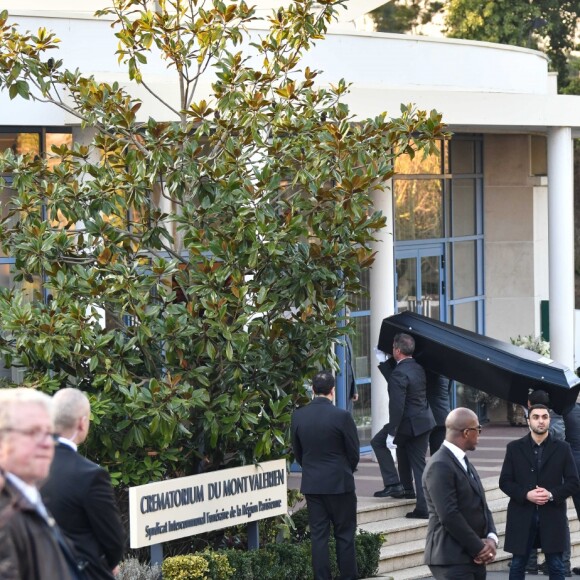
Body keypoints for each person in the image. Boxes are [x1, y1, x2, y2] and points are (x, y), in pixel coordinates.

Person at [41, 388, 124, 580]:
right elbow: (113, 540)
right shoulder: (90, 475)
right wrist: (105, 564)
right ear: (82, 423)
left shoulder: (26, 465)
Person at [0, 387, 83, 579]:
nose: (46, 443)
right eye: (32, 432)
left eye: (48, 433)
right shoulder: (5, 515)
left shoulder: (28, 498)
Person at [291, 370, 360, 580]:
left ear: (312, 390)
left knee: (319, 537)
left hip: (314, 485)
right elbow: (354, 453)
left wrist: (312, 468)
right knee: (345, 535)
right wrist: (344, 469)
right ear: (332, 391)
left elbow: (298, 452)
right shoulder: (342, 416)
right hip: (340, 484)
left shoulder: (298, 416)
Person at [500, 404, 579, 580]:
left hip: (552, 513)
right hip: (522, 513)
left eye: (544, 417)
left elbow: (573, 482)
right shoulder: (514, 448)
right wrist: (526, 494)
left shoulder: (563, 448)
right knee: (518, 564)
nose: (540, 421)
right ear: (529, 421)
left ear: (549, 420)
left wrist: (551, 494)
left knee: (556, 565)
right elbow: (505, 482)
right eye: (536, 417)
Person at [422, 407, 498, 580]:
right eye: (478, 429)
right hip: (451, 559)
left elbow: (481, 505)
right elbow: (449, 515)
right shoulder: (440, 465)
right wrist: (479, 547)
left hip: (472, 557)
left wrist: (491, 539)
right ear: (466, 432)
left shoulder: (463, 461)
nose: (479, 433)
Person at [371, 333, 435, 519]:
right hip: (423, 421)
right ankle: (407, 489)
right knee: (416, 461)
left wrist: (392, 432)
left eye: (392, 348)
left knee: (378, 442)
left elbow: (397, 405)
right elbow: (397, 379)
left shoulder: (400, 372)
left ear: (397, 351)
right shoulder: (417, 367)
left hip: (407, 424)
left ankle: (395, 485)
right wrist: (385, 363)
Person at [525, 390, 571, 576]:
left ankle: (536, 562)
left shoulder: (544, 424)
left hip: (547, 479)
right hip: (556, 479)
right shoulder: (559, 418)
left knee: (538, 519)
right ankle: (560, 561)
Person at [426, 371, 451, 455]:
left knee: (419, 456)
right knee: (439, 453)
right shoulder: (446, 373)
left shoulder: (430, 374)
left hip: (430, 417)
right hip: (443, 416)